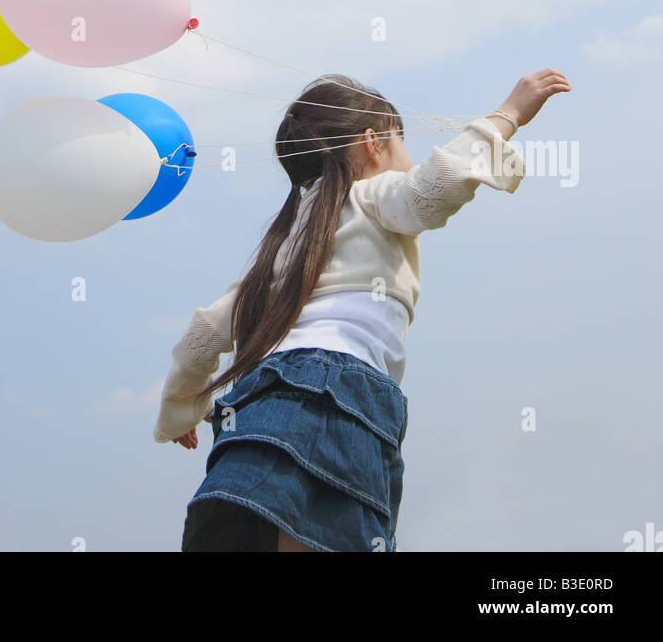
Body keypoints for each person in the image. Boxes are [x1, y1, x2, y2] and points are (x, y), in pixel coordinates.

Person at [153, 68, 571, 552]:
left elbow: (204, 333)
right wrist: (508, 115)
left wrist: (180, 412)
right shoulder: (369, 196)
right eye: (401, 141)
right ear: (372, 144)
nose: (410, 158)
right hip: (338, 392)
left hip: (258, 406)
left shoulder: (281, 248)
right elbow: (431, 189)